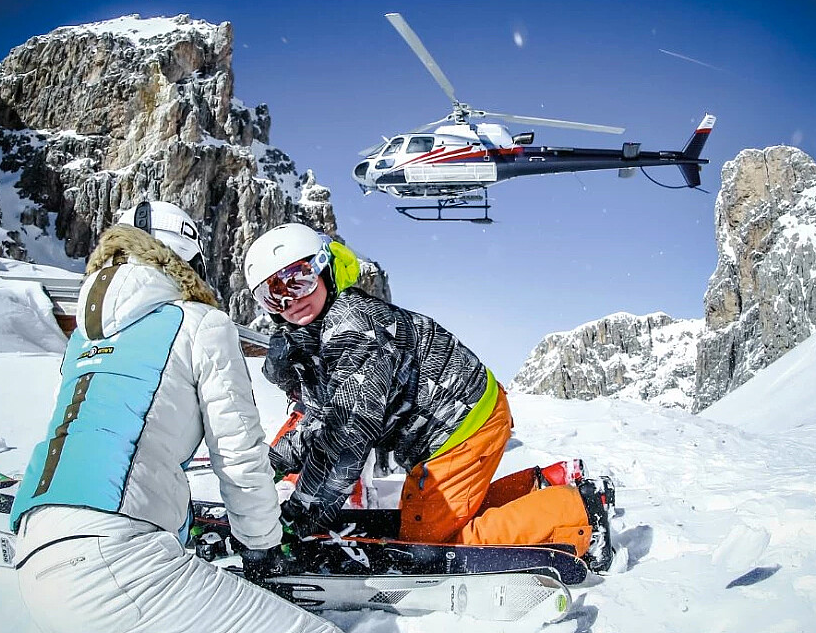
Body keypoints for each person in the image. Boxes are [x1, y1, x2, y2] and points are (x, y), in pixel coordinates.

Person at [8, 201, 340, 633]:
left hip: (33, 551)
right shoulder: (201, 323)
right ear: (187, 262)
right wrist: (261, 546)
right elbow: (238, 453)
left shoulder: (83, 339)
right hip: (115, 558)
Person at [242, 222, 616, 572]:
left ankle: (577, 514)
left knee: (430, 547)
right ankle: (544, 489)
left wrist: (294, 521)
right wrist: (268, 464)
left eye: (299, 280)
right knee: (434, 517)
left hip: (460, 428)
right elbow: (321, 420)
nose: (289, 301)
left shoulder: (354, 328)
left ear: (326, 269)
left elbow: (346, 441)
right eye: (272, 295)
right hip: (454, 422)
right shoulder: (315, 337)